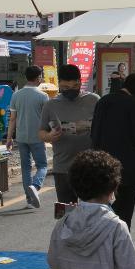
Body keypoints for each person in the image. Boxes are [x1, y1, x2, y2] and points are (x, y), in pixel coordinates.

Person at [91, 73, 135, 227]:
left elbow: (94, 134)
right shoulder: (134, 104)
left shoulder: (103, 101)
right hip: (126, 172)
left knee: (101, 216)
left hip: (100, 168)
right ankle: (119, 249)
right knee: (122, 218)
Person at [40, 65, 101, 205]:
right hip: (62, 166)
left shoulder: (94, 100)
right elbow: (41, 132)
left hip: (91, 165)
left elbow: (105, 127)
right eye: (66, 87)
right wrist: (49, 137)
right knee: (66, 211)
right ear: (59, 84)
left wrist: (88, 125)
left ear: (80, 82)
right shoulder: (50, 105)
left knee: (92, 210)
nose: (70, 90)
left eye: (74, 86)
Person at [6, 66, 50, 208]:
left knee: (25, 167)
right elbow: (47, 119)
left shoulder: (16, 95)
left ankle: (29, 200)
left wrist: (8, 138)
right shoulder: (43, 96)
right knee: (42, 165)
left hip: (21, 137)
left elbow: (12, 119)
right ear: (38, 78)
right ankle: (36, 186)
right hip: (38, 136)